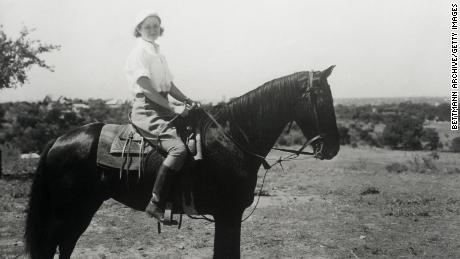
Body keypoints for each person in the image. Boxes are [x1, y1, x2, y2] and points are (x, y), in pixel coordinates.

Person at [125, 10, 199, 221]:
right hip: (147, 109)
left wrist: (186, 100)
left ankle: (183, 195)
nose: (152, 30)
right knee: (178, 149)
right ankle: (155, 203)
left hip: (162, 104)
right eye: (147, 27)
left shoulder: (158, 53)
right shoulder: (138, 53)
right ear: (139, 29)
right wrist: (174, 108)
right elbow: (147, 89)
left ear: (160, 29)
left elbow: (168, 85)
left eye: (155, 26)